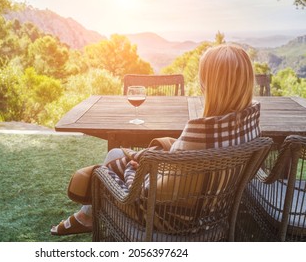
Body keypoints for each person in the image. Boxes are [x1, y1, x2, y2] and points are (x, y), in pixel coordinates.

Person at [50, 44, 260, 236]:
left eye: (203, 78)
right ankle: (85, 216)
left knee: (108, 166)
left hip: (167, 220)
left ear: (212, 86)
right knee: (117, 154)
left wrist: (138, 170)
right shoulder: (250, 125)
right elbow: (180, 170)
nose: (201, 83)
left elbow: (153, 191)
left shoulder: (200, 132)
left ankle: (85, 217)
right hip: (213, 213)